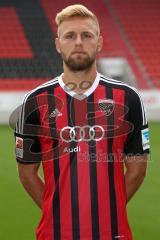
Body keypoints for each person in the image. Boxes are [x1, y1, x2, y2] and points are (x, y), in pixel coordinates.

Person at [15, 4, 150, 240]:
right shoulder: (34, 102)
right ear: (58, 44)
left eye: (87, 35)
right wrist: (57, 211)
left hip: (113, 233)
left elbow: (138, 168)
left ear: (99, 42)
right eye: (70, 36)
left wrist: (109, 209)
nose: (78, 42)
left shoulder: (129, 98)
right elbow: (27, 173)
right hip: (54, 234)